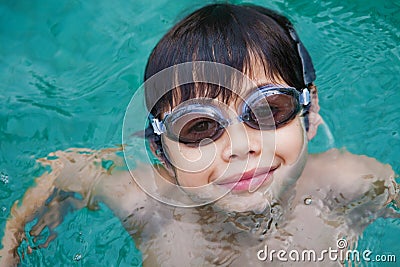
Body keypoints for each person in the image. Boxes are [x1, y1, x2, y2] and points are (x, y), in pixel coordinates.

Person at [1, 3, 398, 266]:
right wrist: (12, 244)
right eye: (200, 128)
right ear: (162, 156)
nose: (241, 146)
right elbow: (69, 172)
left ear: (309, 115)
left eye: (268, 110)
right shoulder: (147, 207)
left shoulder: (347, 183)